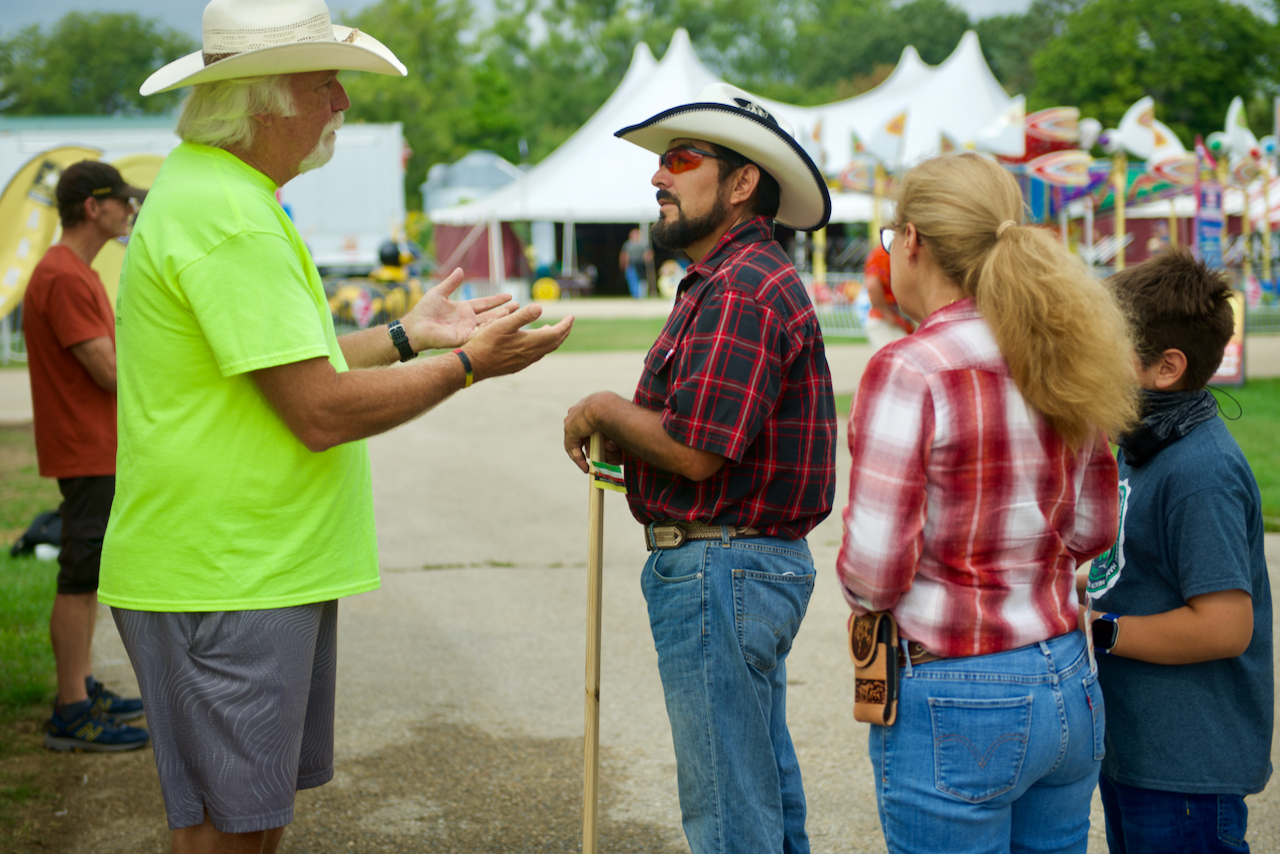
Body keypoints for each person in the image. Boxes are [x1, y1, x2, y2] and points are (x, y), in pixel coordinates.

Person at [97, 1, 572, 851]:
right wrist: (465, 365)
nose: (342, 107)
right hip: (231, 574)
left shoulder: (220, 194)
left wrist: (404, 336)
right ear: (266, 99)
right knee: (233, 832)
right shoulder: (231, 215)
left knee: (238, 820)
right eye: (328, 86)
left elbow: (285, 361)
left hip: (240, 568)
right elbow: (316, 410)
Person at [836, 152, 1140, 853]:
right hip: (1066, 673)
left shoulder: (912, 368)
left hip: (956, 684)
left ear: (912, 241)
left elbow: (875, 574)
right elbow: (1095, 527)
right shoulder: (1062, 349)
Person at [564, 83, 837, 854]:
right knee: (757, 796)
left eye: (680, 159)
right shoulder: (729, 279)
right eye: (661, 162)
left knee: (729, 815)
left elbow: (697, 448)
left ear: (743, 181)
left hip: (723, 563)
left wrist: (605, 410)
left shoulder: (742, 286)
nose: (659, 178)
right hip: (736, 563)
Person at [1085, 249, 1272, 853]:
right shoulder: (1151, 444)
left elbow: (1223, 626)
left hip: (1184, 769)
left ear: (1167, 367)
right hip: (1140, 751)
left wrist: (1099, 631)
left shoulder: (1199, 471)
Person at [22, 160, 150, 753]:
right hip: (87, 448)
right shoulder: (66, 275)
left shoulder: (76, 270)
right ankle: (71, 710)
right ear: (92, 208)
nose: (130, 209)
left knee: (87, 574)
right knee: (79, 578)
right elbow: (106, 371)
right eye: (121, 201)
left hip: (91, 447)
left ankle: (81, 687)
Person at [861, 242, 914, 349]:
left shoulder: (886, 251)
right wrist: (886, 313)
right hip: (888, 316)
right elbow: (872, 284)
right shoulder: (884, 252)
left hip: (896, 315)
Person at [620, 226, 653, 298]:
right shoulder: (628, 244)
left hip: (641, 263)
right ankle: (636, 294)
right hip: (631, 263)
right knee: (632, 279)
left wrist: (648, 259)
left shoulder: (643, 244)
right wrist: (624, 264)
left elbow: (648, 253)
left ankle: (642, 294)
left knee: (642, 279)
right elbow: (625, 254)